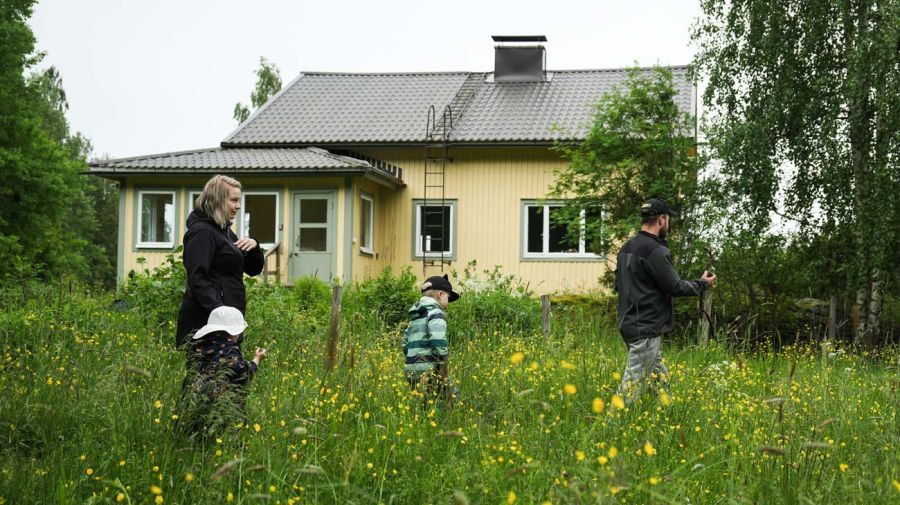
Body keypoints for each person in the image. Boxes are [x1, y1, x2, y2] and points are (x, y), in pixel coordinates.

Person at [614, 198, 717, 403]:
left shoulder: (626, 248)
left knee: (659, 378)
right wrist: (702, 283)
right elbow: (675, 286)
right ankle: (611, 424)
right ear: (661, 219)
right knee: (630, 388)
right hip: (646, 327)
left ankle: (667, 414)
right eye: (667, 219)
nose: (667, 224)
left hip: (629, 324)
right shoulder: (656, 251)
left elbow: (619, 285)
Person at [175, 175, 265, 348]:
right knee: (208, 374)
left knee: (228, 372)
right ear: (217, 200)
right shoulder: (202, 232)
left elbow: (253, 269)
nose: (238, 206)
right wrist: (219, 309)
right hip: (209, 322)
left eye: (239, 201)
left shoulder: (225, 232)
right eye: (234, 200)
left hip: (227, 321)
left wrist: (254, 247)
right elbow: (197, 278)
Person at [180, 306, 267, 436]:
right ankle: (231, 434)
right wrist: (257, 359)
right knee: (235, 393)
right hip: (216, 405)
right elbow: (244, 374)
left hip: (191, 400)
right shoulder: (230, 350)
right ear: (233, 332)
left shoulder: (199, 346)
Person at [402, 274, 460, 405]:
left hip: (412, 370)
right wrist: (444, 365)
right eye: (448, 297)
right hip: (430, 369)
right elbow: (438, 340)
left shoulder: (415, 316)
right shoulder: (436, 313)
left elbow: (405, 343)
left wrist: (412, 363)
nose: (448, 303)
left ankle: (424, 421)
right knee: (452, 398)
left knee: (423, 403)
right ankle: (442, 422)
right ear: (440, 294)